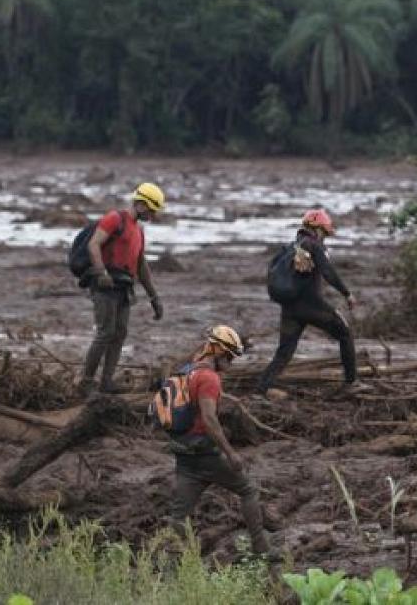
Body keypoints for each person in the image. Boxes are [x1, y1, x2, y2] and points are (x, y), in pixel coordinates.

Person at [167, 325, 273, 557]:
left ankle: (172, 563)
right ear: (217, 351)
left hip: (183, 452)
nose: (231, 362)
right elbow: (209, 418)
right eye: (229, 356)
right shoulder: (209, 378)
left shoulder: (185, 371)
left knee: (178, 516)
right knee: (248, 489)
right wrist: (230, 453)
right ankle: (261, 548)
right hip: (206, 454)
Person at [258, 208, 361, 398]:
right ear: (319, 229)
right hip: (312, 307)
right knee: (345, 334)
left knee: (284, 351)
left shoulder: (290, 247)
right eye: (325, 233)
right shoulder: (314, 245)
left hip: (289, 309)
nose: (325, 238)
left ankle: (264, 386)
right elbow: (328, 272)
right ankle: (351, 383)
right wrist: (347, 294)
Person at [78, 182, 165, 394]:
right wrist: (101, 272)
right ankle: (86, 383)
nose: (153, 216)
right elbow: (94, 244)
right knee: (105, 333)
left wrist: (154, 297)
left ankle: (106, 381)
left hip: (124, 288)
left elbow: (141, 264)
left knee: (120, 333)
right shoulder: (114, 219)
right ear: (142, 205)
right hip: (105, 285)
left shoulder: (139, 231)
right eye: (152, 210)